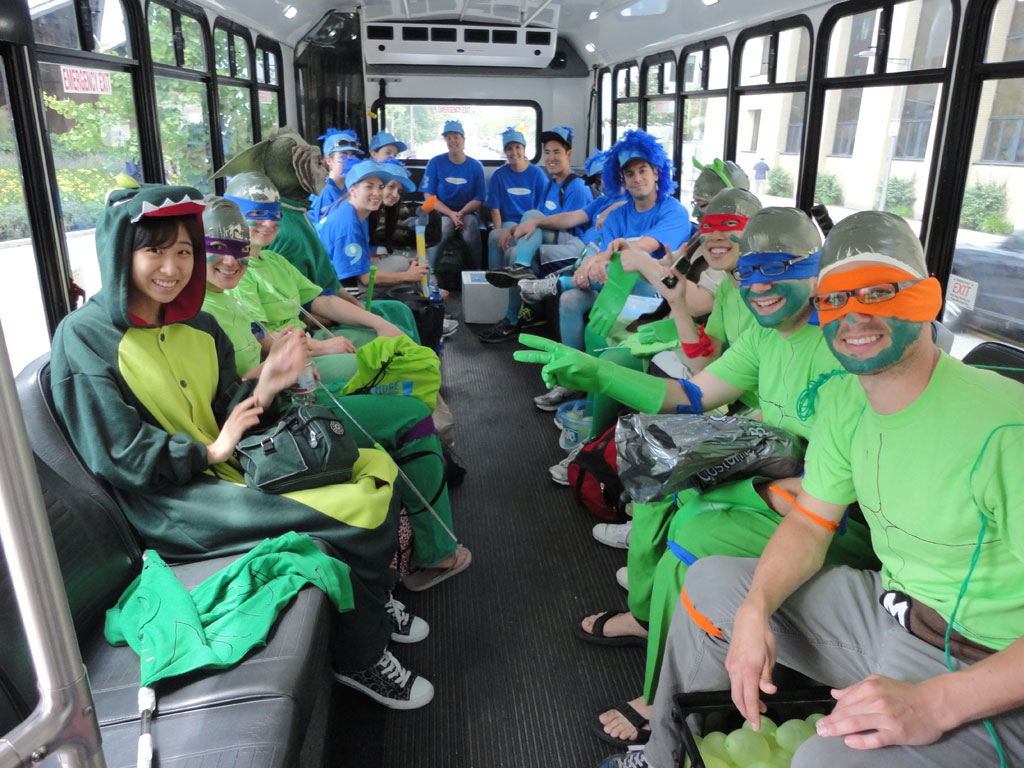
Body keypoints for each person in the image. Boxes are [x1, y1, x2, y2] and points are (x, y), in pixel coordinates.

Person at [612, 210, 1024, 768]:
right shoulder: (848, 400)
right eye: (835, 299)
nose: (854, 315)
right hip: (892, 613)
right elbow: (810, 522)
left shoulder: (1006, 429)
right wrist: (756, 607)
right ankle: (663, 756)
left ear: (927, 298)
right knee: (712, 584)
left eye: (878, 292)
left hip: (988, 663)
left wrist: (936, 703)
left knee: (820, 760)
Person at [48, 183, 433, 709]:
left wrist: (268, 386)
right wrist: (209, 452)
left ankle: (373, 592)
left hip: (231, 465)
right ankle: (360, 656)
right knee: (352, 514)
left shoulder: (200, 325)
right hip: (172, 501)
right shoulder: (84, 338)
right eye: (154, 250)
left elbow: (229, 407)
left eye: (184, 251)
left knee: (374, 468)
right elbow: (119, 454)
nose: (172, 267)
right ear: (121, 253)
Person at [516, 208, 878, 747]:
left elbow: (831, 486)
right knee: (658, 479)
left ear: (818, 270)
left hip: (834, 512)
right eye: (750, 271)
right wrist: (599, 372)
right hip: (778, 471)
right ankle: (648, 618)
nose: (759, 285)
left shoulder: (848, 346)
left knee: (696, 533)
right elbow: (691, 394)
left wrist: (741, 488)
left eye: (780, 268)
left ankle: (662, 699)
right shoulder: (768, 335)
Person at [202, 194, 471, 589]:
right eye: (218, 248)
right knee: (410, 415)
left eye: (239, 250)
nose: (232, 260)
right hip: (268, 426)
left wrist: (291, 359)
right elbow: (234, 391)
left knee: (401, 379)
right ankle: (435, 554)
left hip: (286, 393)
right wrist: (284, 365)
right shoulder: (205, 312)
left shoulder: (229, 296)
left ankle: (430, 475)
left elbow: (278, 334)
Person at [211, 128, 418, 337]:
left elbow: (319, 292)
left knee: (398, 312)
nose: (268, 223)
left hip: (322, 308)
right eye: (317, 163)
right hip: (307, 327)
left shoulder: (289, 233)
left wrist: (360, 310)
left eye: (274, 215)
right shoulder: (282, 233)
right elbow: (276, 322)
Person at [223, 171, 412, 349]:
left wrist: (380, 324)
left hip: (307, 341)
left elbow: (322, 301)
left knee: (398, 338)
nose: (269, 223)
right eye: (257, 214)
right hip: (291, 356)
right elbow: (260, 339)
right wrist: (323, 348)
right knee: (391, 354)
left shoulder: (275, 261)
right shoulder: (235, 273)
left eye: (275, 214)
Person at [478, 126, 593, 343]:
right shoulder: (550, 185)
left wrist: (534, 222)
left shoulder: (576, 187)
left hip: (572, 244)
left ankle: (513, 319)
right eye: (547, 152)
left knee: (519, 244)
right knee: (514, 243)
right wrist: (513, 230)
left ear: (568, 154)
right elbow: (536, 221)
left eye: (557, 152)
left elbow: (568, 223)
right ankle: (527, 302)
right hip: (552, 239)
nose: (550, 157)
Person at [317, 159, 432, 290]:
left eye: (380, 187)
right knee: (403, 274)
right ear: (353, 190)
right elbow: (365, 279)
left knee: (404, 262)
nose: (377, 193)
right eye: (369, 186)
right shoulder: (348, 224)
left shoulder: (355, 211)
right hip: (332, 287)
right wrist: (407, 276)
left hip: (336, 278)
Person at [420, 119, 486, 269]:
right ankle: (431, 271)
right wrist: (451, 214)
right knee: (444, 226)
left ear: (463, 139)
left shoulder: (476, 166)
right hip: (442, 212)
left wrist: (461, 213)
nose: (452, 141)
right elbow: (428, 196)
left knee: (470, 225)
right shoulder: (435, 162)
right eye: (448, 138)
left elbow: (479, 198)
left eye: (456, 137)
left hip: (468, 212)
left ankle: (475, 271)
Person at [484, 126, 548, 273]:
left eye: (517, 147)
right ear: (505, 152)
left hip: (531, 224)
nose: (514, 152)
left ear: (524, 149)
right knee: (495, 236)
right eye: (509, 149)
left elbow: (542, 208)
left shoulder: (537, 174)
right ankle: (495, 275)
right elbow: (495, 209)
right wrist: (500, 232)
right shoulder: (499, 175)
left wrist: (527, 226)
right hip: (508, 223)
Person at [308, 128, 364, 224]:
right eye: (343, 155)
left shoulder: (350, 187)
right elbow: (325, 229)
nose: (350, 160)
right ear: (329, 160)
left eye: (352, 155)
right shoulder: (324, 191)